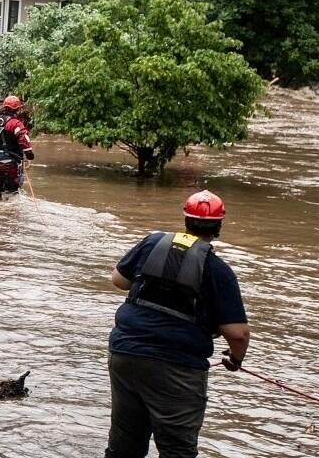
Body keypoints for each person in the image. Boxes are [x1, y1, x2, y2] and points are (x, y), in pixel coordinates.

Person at [106, 190, 250, 458]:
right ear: (218, 226)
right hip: (178, 369)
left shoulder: (151, 243)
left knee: (125, 445)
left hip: (125, 353)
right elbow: (238, 334)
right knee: (177, 451)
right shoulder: (218, 270)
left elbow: (119, 280)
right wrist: (235, 360)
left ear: (185, 220)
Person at [0, 95, 35, 201]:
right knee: (12, 193)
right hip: (10, 163)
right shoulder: (16, 124)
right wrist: (29, 155)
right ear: (17, 108)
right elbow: (24, 140)